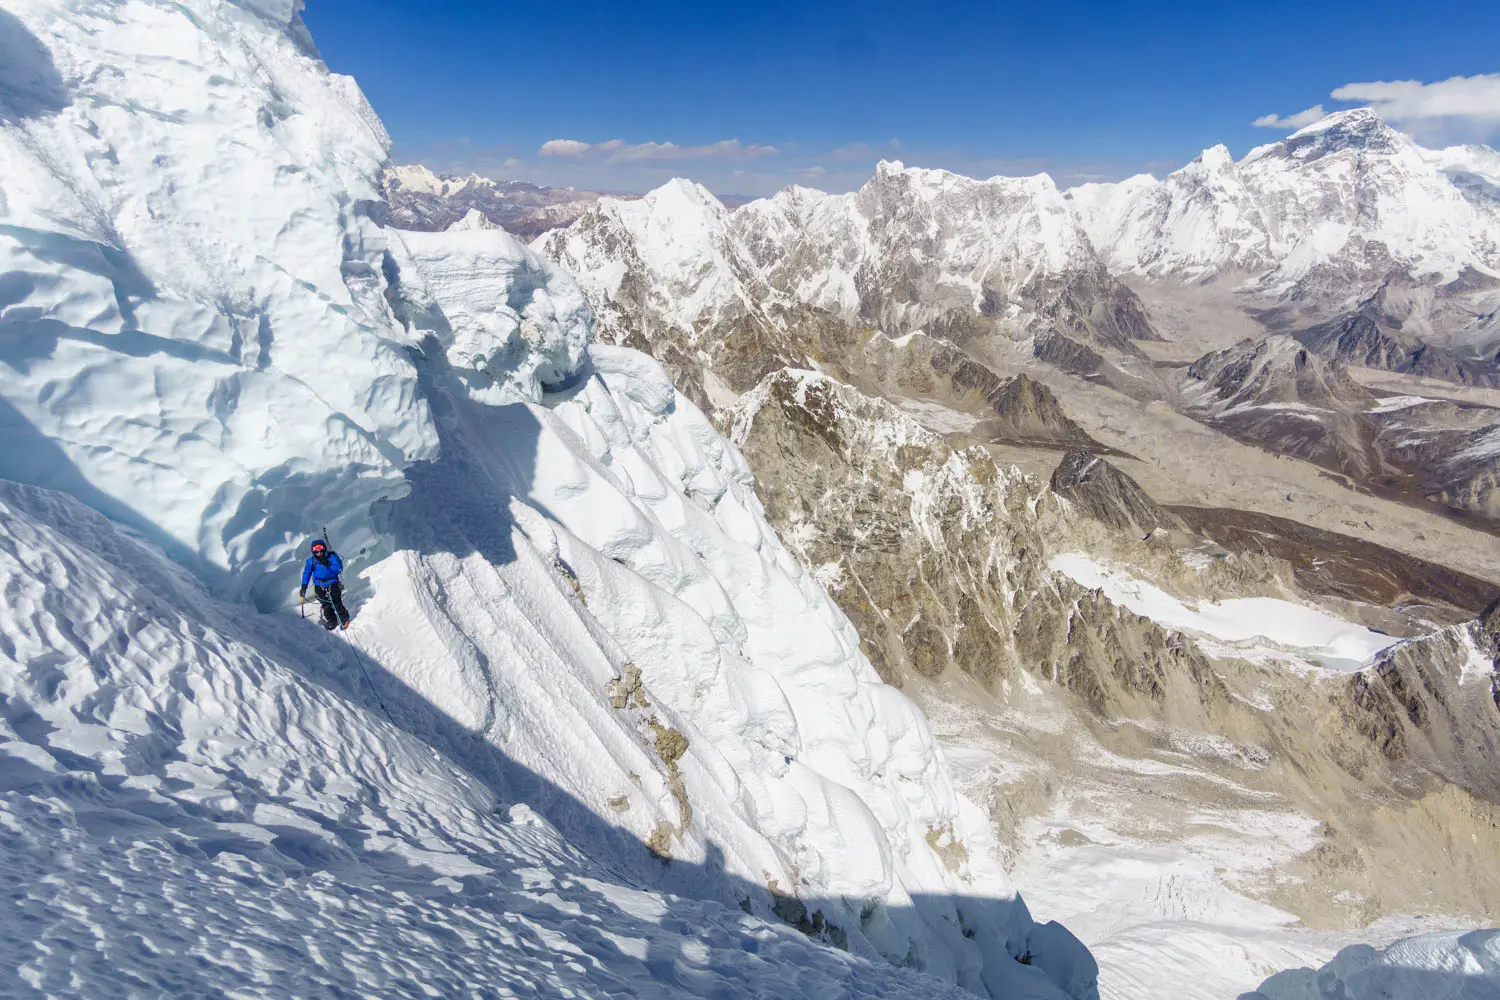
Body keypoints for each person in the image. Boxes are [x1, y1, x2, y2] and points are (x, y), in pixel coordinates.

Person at [300, 538, 351, 630]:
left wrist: (328, 564)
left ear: (324, 548)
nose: (319, 552)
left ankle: (344, 618)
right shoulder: (311, 561)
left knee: (337, 603)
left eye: (321, 549)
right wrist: (304, 587)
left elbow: (339, 569)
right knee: (325, 605)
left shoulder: (332, 557)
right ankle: (332, 621)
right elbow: (307, 573)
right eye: (316, 550)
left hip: (333, 584)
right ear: (312, 551)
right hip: (320, 586)